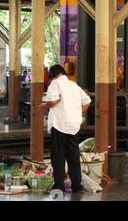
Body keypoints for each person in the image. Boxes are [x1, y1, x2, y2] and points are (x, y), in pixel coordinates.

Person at [39, 64, 91, 193]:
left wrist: (44, 105)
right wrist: (78, 113)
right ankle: (77, 186)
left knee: (58, 157)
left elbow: (54, 101)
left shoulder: (55, 84)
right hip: (73, 125)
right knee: (73, 156)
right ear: (63, 73)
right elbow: (87, 101)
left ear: (53, 75)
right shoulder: (74, 85)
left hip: (59, 124)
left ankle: (59, 186)